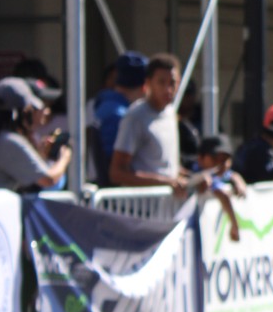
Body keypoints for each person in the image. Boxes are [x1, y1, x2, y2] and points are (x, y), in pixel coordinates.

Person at [108, 53, 193, 197]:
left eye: (172, 83)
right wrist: (165, 182)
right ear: (148, 83)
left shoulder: (170, 113)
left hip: (168, 207)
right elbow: (117, 173)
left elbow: (167, 168)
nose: (168, 89)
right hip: (141, 207)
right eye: (161, 82)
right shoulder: (135, 116)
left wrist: (192, 179)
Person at [0, 77, 72, 191]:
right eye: (28, 110)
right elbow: (48, 180)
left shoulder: (0, 137)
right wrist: (64, 158)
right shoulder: (10, 141)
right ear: (17, 113)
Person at [92, 51, 148, 177]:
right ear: (144, 86)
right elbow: (114, 161)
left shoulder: (107, 105)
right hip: (114, 185)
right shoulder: (120, 114)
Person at [192, 133, 247, 242]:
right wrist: (234, 225)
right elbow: (222, 193)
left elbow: (231, 175)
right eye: (216, 159)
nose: (223, 164)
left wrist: (238, 180)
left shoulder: (219, 173)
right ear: (200, 158)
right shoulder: (198, 174)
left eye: (226, 159)